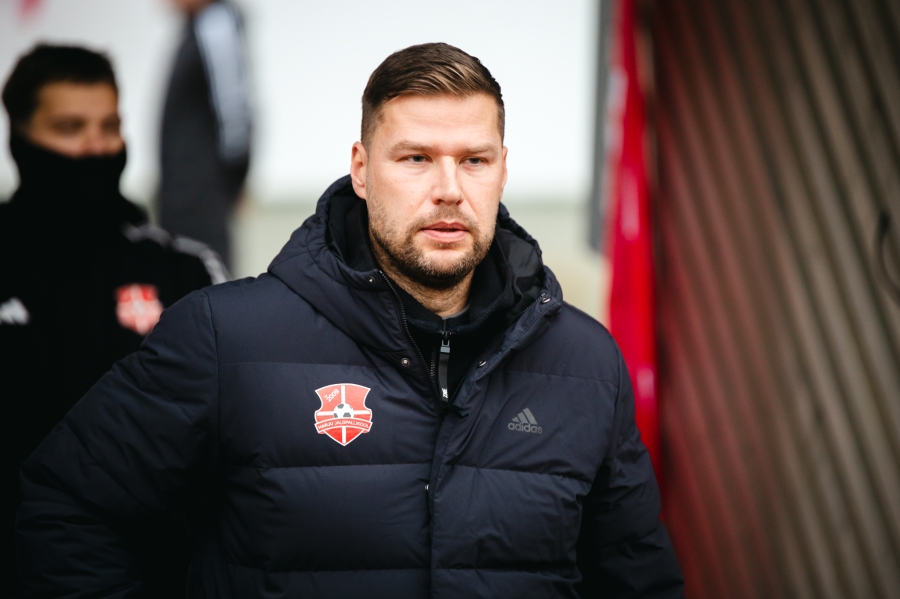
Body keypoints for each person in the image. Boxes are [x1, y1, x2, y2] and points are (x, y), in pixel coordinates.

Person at [17, 43, 683, 598]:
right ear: (361, 170)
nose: (449, 189)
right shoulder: (227, 337)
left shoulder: (585, 364)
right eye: (415, 158)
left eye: (474, 161)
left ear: (503, 171)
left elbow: (638, 579)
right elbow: (63, 507)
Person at [0, 44, 228, 597]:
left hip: (152, 573)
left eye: (110, 126)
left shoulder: (183, 270)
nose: (95, 147)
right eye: (70, 128)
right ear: (19, 137)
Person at [158, 0, 252, 270]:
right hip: (186, 193)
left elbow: (234, 109)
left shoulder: (216, 24)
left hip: (202, 195)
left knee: (207, 278)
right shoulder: (197, 26)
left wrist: (235, 180)